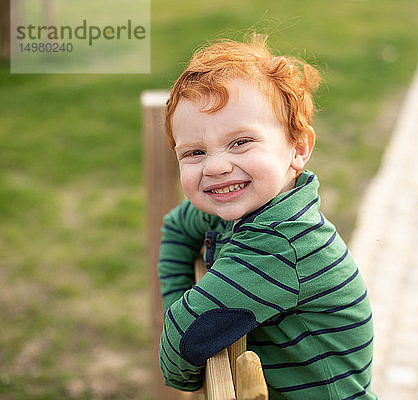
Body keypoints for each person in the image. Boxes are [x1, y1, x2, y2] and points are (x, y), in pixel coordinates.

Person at [158, 35, 376, 399]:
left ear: (298, 148)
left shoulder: (281, 241)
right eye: (195, 152)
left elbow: (184, 339)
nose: (216, 167)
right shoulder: (238, 207)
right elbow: (177, 228)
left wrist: (181, 347)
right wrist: (181, 303)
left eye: (240, 142)